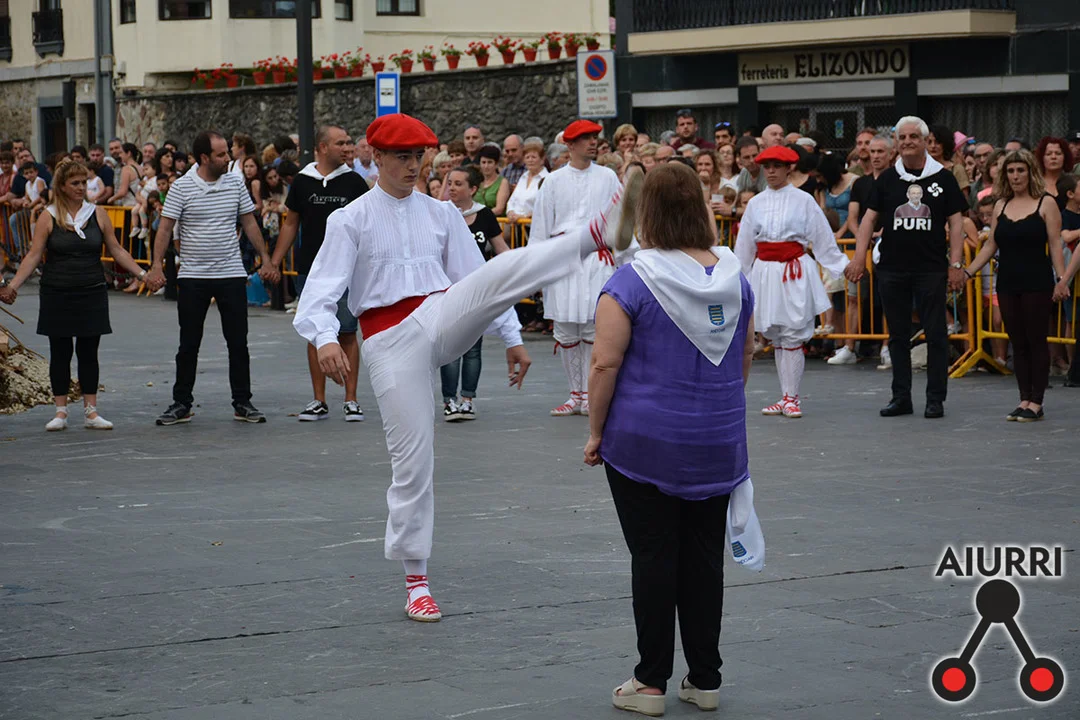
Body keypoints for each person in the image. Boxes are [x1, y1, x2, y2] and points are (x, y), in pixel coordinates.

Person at [291, 113, 638, 622]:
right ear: (377, 157)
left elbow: (480, 280)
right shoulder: (351, 218)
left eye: (419, 156)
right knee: (413, 464)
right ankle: (416, 581)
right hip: (388, 340)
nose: (413, 165)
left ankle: (596, 234)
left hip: (439, 313)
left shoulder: (442, 214)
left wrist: (512, 338)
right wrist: (325, 337)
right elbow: (319, 292)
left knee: (497, 270)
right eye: (403, 157)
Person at [583, 161, 754, 717]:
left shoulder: (631, 281)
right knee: (705, 559)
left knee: (654, 557)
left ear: (647, 212)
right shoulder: (735, 278)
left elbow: (604, 364)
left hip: (645, 441)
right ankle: (705, 678)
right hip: (717, 440)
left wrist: (595, 431)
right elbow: (746, 356)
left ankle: (650, 680)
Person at [143, 130, 279, 425]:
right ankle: (181, 403)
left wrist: (266, 259)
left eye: (227, 151)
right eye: (221, 154)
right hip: (193, 276)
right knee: (188, 343)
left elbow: (249, 223)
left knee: (238, 342)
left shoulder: (235, 183)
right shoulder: (181, 187)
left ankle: (242, 402)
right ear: (204, 158)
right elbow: (164, 228)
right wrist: (156, 266)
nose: (228, 158)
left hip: (231, 273)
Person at [0, 160, 147, 430]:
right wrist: (13, 286)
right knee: (61, 351)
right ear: (63, 186)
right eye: (75, 183)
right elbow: (33, 255)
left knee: (89, 351)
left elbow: (117, 249)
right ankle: (60, 412)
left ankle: (91, 411)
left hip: (91, 290)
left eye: (83, 182)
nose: (81, 187)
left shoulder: (97, 213)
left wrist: (143, 274)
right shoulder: (48, 216)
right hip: (57, 291)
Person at [845, 116, 967, 419]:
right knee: (897, 336)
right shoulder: (887, 179)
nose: (908, 141)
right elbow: (868, 219)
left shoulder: (944, 178)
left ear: (925, 141)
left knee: (936, 334)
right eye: (902, 137)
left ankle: (935, 399)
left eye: (914, 136)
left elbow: (956, 223)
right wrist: (859, 258)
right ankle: (901, 398)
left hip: (931, 269)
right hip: (892, 268)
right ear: (896, 143)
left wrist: (956, 264)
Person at [735, 145, 848, 417]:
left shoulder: (803, 200)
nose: (771, 171)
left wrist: (841, 265)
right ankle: (786, 395)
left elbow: (821, 236)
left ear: (789, 168)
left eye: (777, 166)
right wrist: (738, 277)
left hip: (793, 270)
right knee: (777, 333)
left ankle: (792, 397)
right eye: (767, 167)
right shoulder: (756, 203)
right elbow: (745, 244)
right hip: (766, 272)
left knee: (793, 330)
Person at [268, 125, 370, 423]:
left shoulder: (354, 182)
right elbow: (291, 224)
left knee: (347, 331)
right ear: (323, 147)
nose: (348, 148)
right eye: (341, 143)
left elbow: (367, 225)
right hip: (311, 269)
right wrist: (274, 261)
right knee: (316, 332)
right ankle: (319, 400)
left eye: (349, 142)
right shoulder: (302, 181)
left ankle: (351, 399)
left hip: (347, 271)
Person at [531, 119, 626, 416]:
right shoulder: (553, 181)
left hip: (597, 259)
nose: (593, 142)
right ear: (570, 145)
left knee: (592, 326)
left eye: (595, 137)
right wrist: (537, 269)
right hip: (563, 259)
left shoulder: (608, 177)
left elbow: (621, 220)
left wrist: (628, 261)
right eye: (586, 138)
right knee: (565, 328)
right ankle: (575, 394)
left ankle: (590, 394)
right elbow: (540, 227)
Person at [966, 150, 1064, 422]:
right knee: (1017, 341)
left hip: (1037, 281)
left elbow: (1055, 244)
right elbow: (991, 245)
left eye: (1021, 170)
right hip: (1007, 281)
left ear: (1030, 172)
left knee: (1035, 340)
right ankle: (1024, 398)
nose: (1015, 176)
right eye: (1010, 171)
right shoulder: (1001, 205)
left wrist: (1062, 279)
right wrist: (968, 271)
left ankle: (1037, 401)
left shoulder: (1046, 203)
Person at [440, 165, 511, 420]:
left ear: (473, 189)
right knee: (450, 348)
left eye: (458, 184)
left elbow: (500, 248)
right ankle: (449, 400)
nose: (452, 188)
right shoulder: (441, 213)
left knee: (472, 348)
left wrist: (516, 271)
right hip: (447, 291)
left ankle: (467, 399)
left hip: (477, 292)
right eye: (450, 183)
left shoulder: (484, 215)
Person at [503, 139, 548, 246]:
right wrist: (510, 212)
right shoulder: (523, 177)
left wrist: (524, 217)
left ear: (542, 159)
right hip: (516, 227)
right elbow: (512, 200)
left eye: (534, 157)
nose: (530, 160)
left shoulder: (547, 178)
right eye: (527, 157)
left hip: (534, 229)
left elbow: (545, 205)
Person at [1035, 136, 1073, 212]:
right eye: (1048, 154)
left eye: (1058, 153)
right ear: (1042, 158)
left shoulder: (1073, 182)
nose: (1053, 157)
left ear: (1065, 157)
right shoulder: (1035, 183)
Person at [473, 144, 509, 216]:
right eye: (483, 162)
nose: (486, 166)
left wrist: (479, 216)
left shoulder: (503, 182)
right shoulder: (476, 181)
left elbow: (499, 209)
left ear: (496, 164)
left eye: (489, 162)